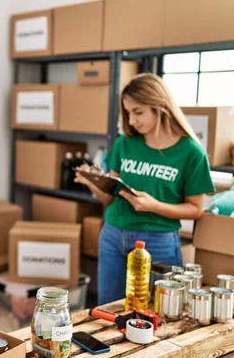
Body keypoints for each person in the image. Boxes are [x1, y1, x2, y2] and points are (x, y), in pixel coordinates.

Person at [75, 73, 214, 305]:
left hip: (158, 241)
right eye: (128, 113)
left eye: (137, 112)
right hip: (113, 235)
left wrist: (153, 206)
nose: (131, 121)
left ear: (159, 106)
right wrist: (92, 182)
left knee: (155, 311)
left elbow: (195, 209)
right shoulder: (124, 143)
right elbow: (111, 197)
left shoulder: (191, 153)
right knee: (108, 309)